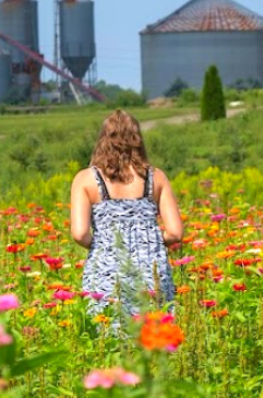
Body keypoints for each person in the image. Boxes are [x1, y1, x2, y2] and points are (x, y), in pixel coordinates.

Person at [70, 109, 184, 319]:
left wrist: (106, 244)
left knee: (108, 332)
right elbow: (175, 233)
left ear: (103, 140)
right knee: (155, 333)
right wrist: (148, 241)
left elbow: (79, 233)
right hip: (151, 271)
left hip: (106, 271)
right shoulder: (155, 177)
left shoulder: (85, 179)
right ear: (137, 140)